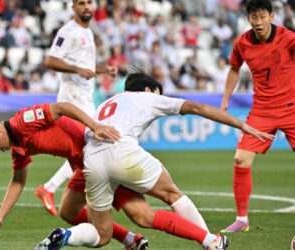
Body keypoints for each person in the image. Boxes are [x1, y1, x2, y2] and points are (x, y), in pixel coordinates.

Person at [36, 72, 274, 250]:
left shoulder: (105, 105)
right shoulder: (147, 98)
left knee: (105, 232)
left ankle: (68, 236)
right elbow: (198, 107)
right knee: (172, 194)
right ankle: (210, 241)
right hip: (123, 153)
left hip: (93, 162)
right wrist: (242, 124)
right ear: (149, 90)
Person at [0, 102, 150, 249]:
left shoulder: (23, 121)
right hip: (82, 165)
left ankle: (135, 237)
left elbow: (62, 107)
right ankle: (132, 240)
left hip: (97, 156)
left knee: (146, 214)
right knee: (68, 212)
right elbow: (17, 181)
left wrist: (94, 126)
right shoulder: (18, 147)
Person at [35, 0, 117, 216]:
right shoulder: (67, 31)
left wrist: (103, 69)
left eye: (90, 2)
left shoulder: (88, 32)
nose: (87, 6)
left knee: (84, 149)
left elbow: (86, 67)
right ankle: (86, 192)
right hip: (72, 100)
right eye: (82, 3)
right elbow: (51, 61)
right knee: (94, 145)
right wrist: (77, 69)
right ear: (73, 7)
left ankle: (49, 188)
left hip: (85, 98)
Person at [219, 0, 295, 233]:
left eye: (263, 16)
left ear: (272, 16)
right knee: (240, 160)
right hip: (262, 110)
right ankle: (242, 220)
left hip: (292, 108)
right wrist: (225, 100)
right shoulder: (241, 43)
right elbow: (234, 68)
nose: (258, 21)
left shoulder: (288, 37)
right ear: (248, 18)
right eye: (254, 16)